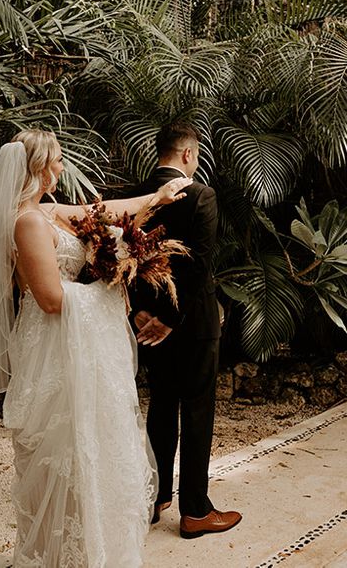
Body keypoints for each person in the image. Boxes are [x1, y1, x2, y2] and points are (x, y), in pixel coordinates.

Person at [0, 129, 192, 566]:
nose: (60, 167)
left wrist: (158, 199)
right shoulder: (27, 223)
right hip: (54, 352)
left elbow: (103, 210)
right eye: (55, 160)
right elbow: (52, 300)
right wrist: (111, 290)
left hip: (78, 350)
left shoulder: (46, 212)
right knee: (63, 453)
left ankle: (91, 549)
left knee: (90, 450)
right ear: (38, 167)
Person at [130, 121, 242, 539]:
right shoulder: (201, 195)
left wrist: (140, 313)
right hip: (192, 327)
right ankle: (195, 510)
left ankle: (157, 497)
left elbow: (124, 260)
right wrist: (172, 320)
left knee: (161, 406)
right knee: (196, 412)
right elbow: (199, 265)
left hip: (148, 328)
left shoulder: (138, 195)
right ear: (189, 155)